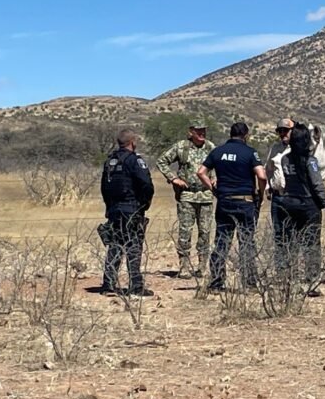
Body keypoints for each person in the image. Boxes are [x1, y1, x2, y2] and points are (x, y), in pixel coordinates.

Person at [197, 122, 267, 291]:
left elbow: (200, 172)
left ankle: (216, 282)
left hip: (224, 202)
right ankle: (249, 283)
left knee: (221, 242)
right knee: (246, 243)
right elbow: (262, 176)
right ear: (246, 135)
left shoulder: (217, 151)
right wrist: (260, 193)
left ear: (230, 134)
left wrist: (213, 189)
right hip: (245, 202)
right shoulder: (250, 152)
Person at [276, 123, 325, 297]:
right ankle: (312, 282)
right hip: (308, 205)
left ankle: (290, 281)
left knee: (290, 243)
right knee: (311, 244)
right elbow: (317, 184)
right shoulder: (310, 161)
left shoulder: (285, 159)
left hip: (288, 203)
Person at [156, 119, 216, 279]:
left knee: (205, 232)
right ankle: (184, 266)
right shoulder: (181, 147)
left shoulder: (211, 147)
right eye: (198, 130)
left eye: (204, 130)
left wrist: (216, 178)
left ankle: (202, 267)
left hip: (206, 196)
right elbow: (161, 161)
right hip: (187, 196)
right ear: (191, 132)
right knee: (185, 232)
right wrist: (174, 179)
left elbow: (219, 166)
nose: (202, 133)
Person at [100, 128, 155, 296]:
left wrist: (109, 206)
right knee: (134, 246)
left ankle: (108, 284)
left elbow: (104, 187)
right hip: (131, 209)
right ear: (132, 142)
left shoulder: (110, 161)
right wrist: (144, 204)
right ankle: (136, 286)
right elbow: (146, 184)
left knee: (115, 246)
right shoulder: (134, 160)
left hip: (114, 209)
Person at [264, 118, 294, 265]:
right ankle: (281, 269)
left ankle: (294, 267)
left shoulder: (299, 148)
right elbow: (268, 169)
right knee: (279, 234)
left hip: (293, 197)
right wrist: (267, 187)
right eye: (280, 131)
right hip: (277, 198)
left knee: (294, 233)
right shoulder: (275, 148)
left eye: (286, 130)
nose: (283, 134)